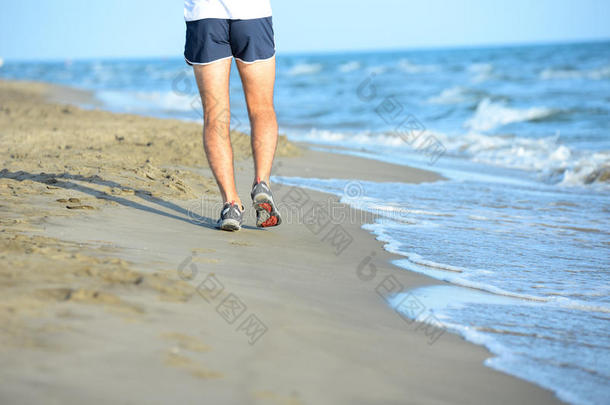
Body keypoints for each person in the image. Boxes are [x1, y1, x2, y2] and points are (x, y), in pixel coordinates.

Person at [184, 0, 281, 231]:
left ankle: (231, 205)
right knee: (262, 108)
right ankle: (262, 184)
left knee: (215, 115)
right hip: (252, 13)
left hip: (204, 15)